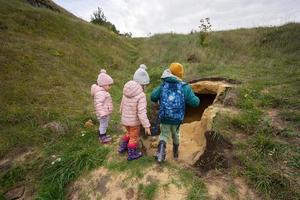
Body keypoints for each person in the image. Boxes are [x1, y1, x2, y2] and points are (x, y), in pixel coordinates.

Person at [150, 63, 200, 162]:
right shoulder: (184, 87)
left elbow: (153, 96)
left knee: (164, 134)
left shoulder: (164, 85)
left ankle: (160, 153)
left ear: (170, 72)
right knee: (176, 134)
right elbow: (195, 103)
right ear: (181, 75)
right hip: (177, 118)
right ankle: (176, 152)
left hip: (164, 116)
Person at [118, 64, 151, 161]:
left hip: (125, 119)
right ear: (143, 84)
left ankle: (122, 147)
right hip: (134, 122)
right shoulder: (141, 95)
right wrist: (146, 125)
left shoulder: (126, 90)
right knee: (134, 137)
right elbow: (141, 112)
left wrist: (121, 112)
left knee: (129, 133)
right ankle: (132, 154)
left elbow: (122, 103)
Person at [91, 69, 114, 144]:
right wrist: (102, 113)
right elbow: (98, 104)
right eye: (109, 85)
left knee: (104, 124)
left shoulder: (103, 92)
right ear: (104, 84)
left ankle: (103, 134)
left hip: (105, 112)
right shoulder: (100, 93)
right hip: (103, 113)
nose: (110, 87)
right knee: (103, 124)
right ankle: (102, 137)